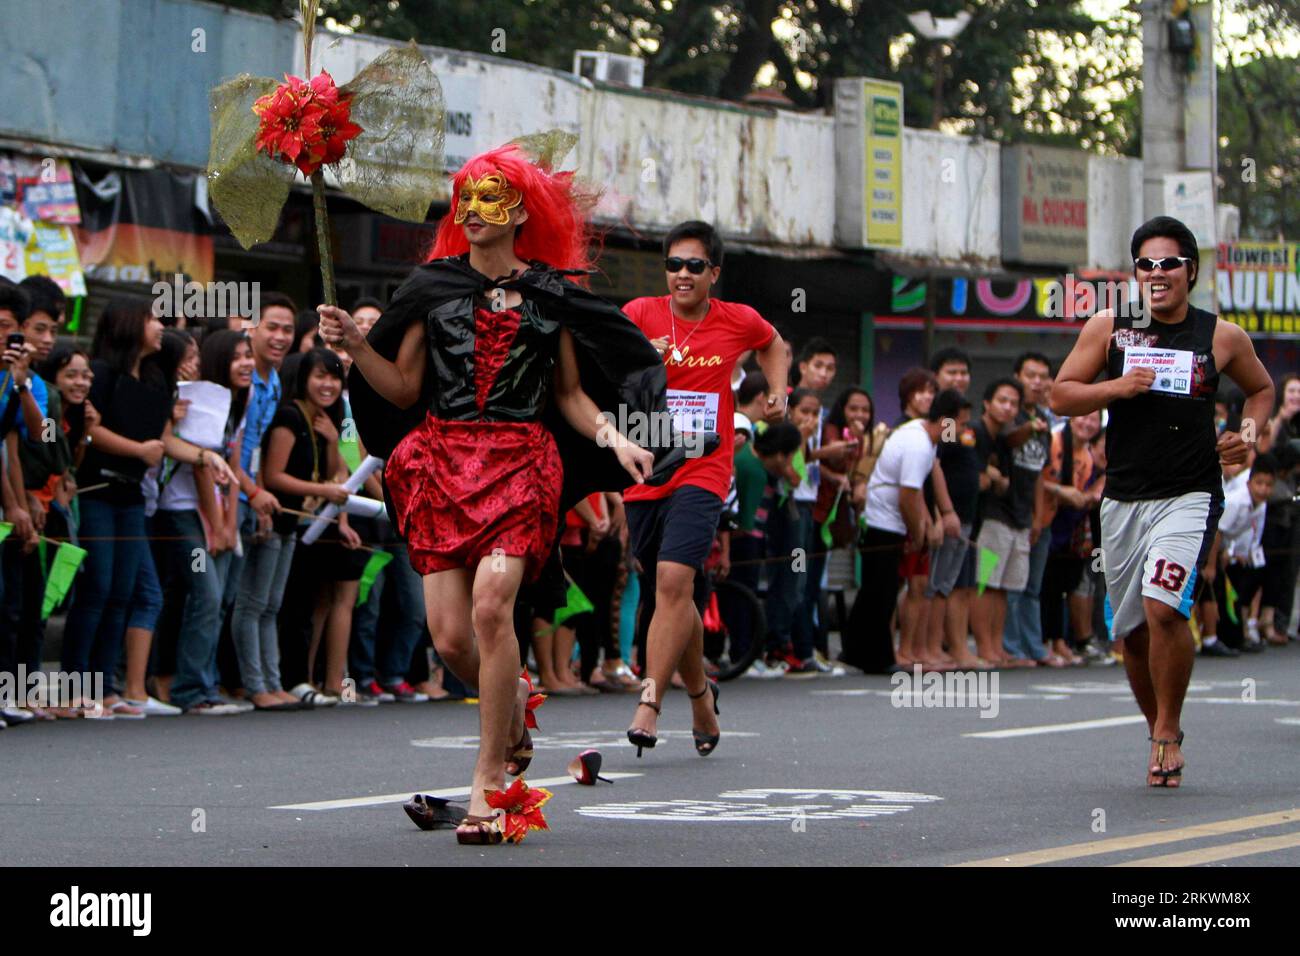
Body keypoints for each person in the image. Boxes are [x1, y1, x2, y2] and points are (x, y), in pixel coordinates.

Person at [321, 142, 663, 844]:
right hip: (440, 466)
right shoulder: (430, 288)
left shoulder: (550, 294)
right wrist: (357, 348)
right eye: (465, 196)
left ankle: (490, 781)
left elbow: (569, 394)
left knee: (490, 606)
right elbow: (405, 390)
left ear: (519, 213)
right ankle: (514, 706)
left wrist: (614, 437)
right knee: (450, 640)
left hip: (520, 466)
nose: (473, 209)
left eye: (490, 197)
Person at [1051, 215, 1274, 787]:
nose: (1156, 273)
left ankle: (1169, 728)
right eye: (1145, 264)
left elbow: (1261, 390)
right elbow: (1061, 394)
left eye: (1168, 263)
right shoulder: (1111, 327)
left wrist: (1247, 439)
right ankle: (1157, 727)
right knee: (1131, 632)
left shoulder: (1220, 336)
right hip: (1124, 497)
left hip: (1192, 493)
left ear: (1190, 271)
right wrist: (1117, 387)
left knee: (1164, 606)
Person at [621, 219, 789, 753]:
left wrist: (778, 393)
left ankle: (650, 700)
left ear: (713, 272)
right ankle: (700, 693)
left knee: (675, 580)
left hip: (705, 465)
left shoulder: (736, 320)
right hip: (649, 464)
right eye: (674, 264)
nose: (683, 274)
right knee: (667, 590)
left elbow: (775, 344)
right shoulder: (639, 315)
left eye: (695, 265)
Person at [61, 299, 235, 718]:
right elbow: (93, 430)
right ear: (127, 324)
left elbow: (165, 440)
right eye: (152, 319)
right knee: (97, 588)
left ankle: (106, 689)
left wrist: (204, 457)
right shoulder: (102, 374)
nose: (160, 326)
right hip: (97, 489)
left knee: (122, 591)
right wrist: (139, 450)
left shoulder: (156, 379)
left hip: (132, 497)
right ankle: (73, 687)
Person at [151, 329, 252, 714]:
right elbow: (200, 466)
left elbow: (235, 463)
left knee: (221, 598)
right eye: (237, 357)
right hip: (184, 514)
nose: (247, 363)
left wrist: (229, 522)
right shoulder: (199, 397)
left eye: (249, 355)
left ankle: (206, 686)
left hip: (220, 511)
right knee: (206, 593)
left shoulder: (239, 399)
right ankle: (190, 689)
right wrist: (219, 526)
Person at [840, 390, 969, 673]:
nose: (961, 431)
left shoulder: (922, 437)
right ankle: (878, 658)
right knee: (883, 592)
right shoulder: (919, 444)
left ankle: (854, 651)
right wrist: (918, 533)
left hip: (888, 520)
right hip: (883, 521)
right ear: (945, 421)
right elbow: (908, 496)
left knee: (873, 590)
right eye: (959, 424)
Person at [1003, 352, 1066, 668]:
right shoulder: (1006, 416)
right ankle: (1008, 648)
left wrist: (1039, 517)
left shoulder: (1043, 419)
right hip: (1001, 516)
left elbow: (1042, 474)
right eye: (1031, 375)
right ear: (1017, 377)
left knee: (1032, 587)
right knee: (1000, 585)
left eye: (1043, 376)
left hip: (1034, 516)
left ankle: (1034, 647)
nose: (1038, 382)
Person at [924, 348, 982, 668]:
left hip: (966, 517)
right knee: (932, 585)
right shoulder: (944, 421)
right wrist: (940, 513)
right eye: (952, 372)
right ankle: (928, 648)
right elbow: (936, 466)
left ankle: (940, 647)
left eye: (964, 372)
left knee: (949, 586)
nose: (959, 378)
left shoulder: (962, 418)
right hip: (949, 518)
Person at [970, 377, 1029, 667]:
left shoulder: (1004, 439)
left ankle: (996, 646)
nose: (1007, 408)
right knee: (985, 583)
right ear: (986, 403)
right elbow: (971, 475)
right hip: (986, 519)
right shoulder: (976, 432)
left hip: (1010, 517)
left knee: (1002, 586)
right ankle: (984, 647)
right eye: (1002, 401)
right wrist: (988, 477)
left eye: (1013, 404)